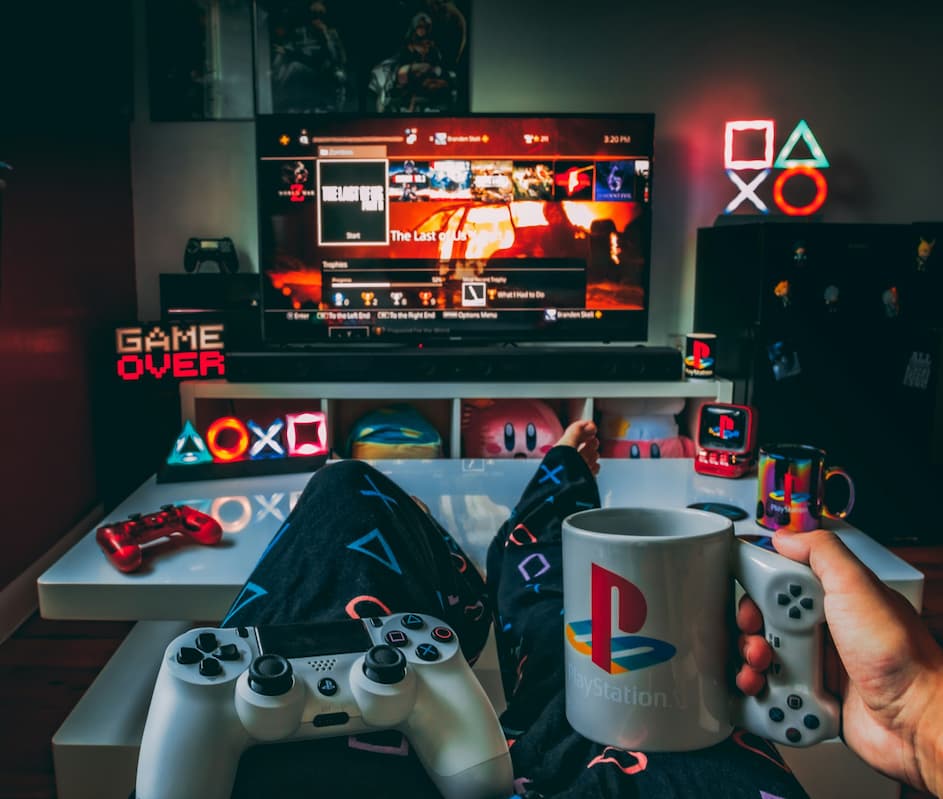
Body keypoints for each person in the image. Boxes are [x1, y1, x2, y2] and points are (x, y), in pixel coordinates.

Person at [221, 421, 943, 798]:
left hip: (326, 771)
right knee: (569, 628)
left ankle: (548, 499)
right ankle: (554, 493)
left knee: (345, 486)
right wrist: (913, 709)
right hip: (653, 755)